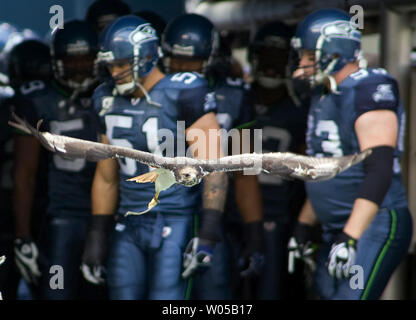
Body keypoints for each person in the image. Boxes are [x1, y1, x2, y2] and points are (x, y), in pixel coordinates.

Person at [80, 15, 228, 300]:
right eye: (111, 64)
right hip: (129, 220)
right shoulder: (105, 98)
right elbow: (106, 175)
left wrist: (208, 231)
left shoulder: (185, 90)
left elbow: (215, 167)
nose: (115, 72)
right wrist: (97, 234)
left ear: (147, 57)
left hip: (176, 219)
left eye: (122, 63)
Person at [289, 8, 412, 300]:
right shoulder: (326, 94)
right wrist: (304, 225)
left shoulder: (368, 88)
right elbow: (326, 168)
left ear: (334, 53)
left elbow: (379, 170)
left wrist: (350, 236)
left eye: (309, 56)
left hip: (373, 225)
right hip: (339, 226)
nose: (301, 66)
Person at [162, 13, 264, 300]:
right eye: (176, 60)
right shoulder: (153, 91)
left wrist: (254, 234)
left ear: (212, 59)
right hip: (163, 212)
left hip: (215, 213)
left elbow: (246, 170)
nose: (183, 69)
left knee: (214, 291)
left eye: (192, 62)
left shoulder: (237, 96)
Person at [12, 20, 103, 300]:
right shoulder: (38, 99)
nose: (78, 67)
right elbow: (24, 175)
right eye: (70, 60)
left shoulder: (110, 94)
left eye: (85, 59)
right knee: (58, 293)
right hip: (61, 217)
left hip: (110, 216)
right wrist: (23, 235)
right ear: (56, 62)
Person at [244, 21, 310, 300]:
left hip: (277, 217)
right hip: (235, 218)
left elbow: (308, 174)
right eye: (266, 57)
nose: (271, 66)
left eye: (279, 59)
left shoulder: (300, 112)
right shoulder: (238, 101)